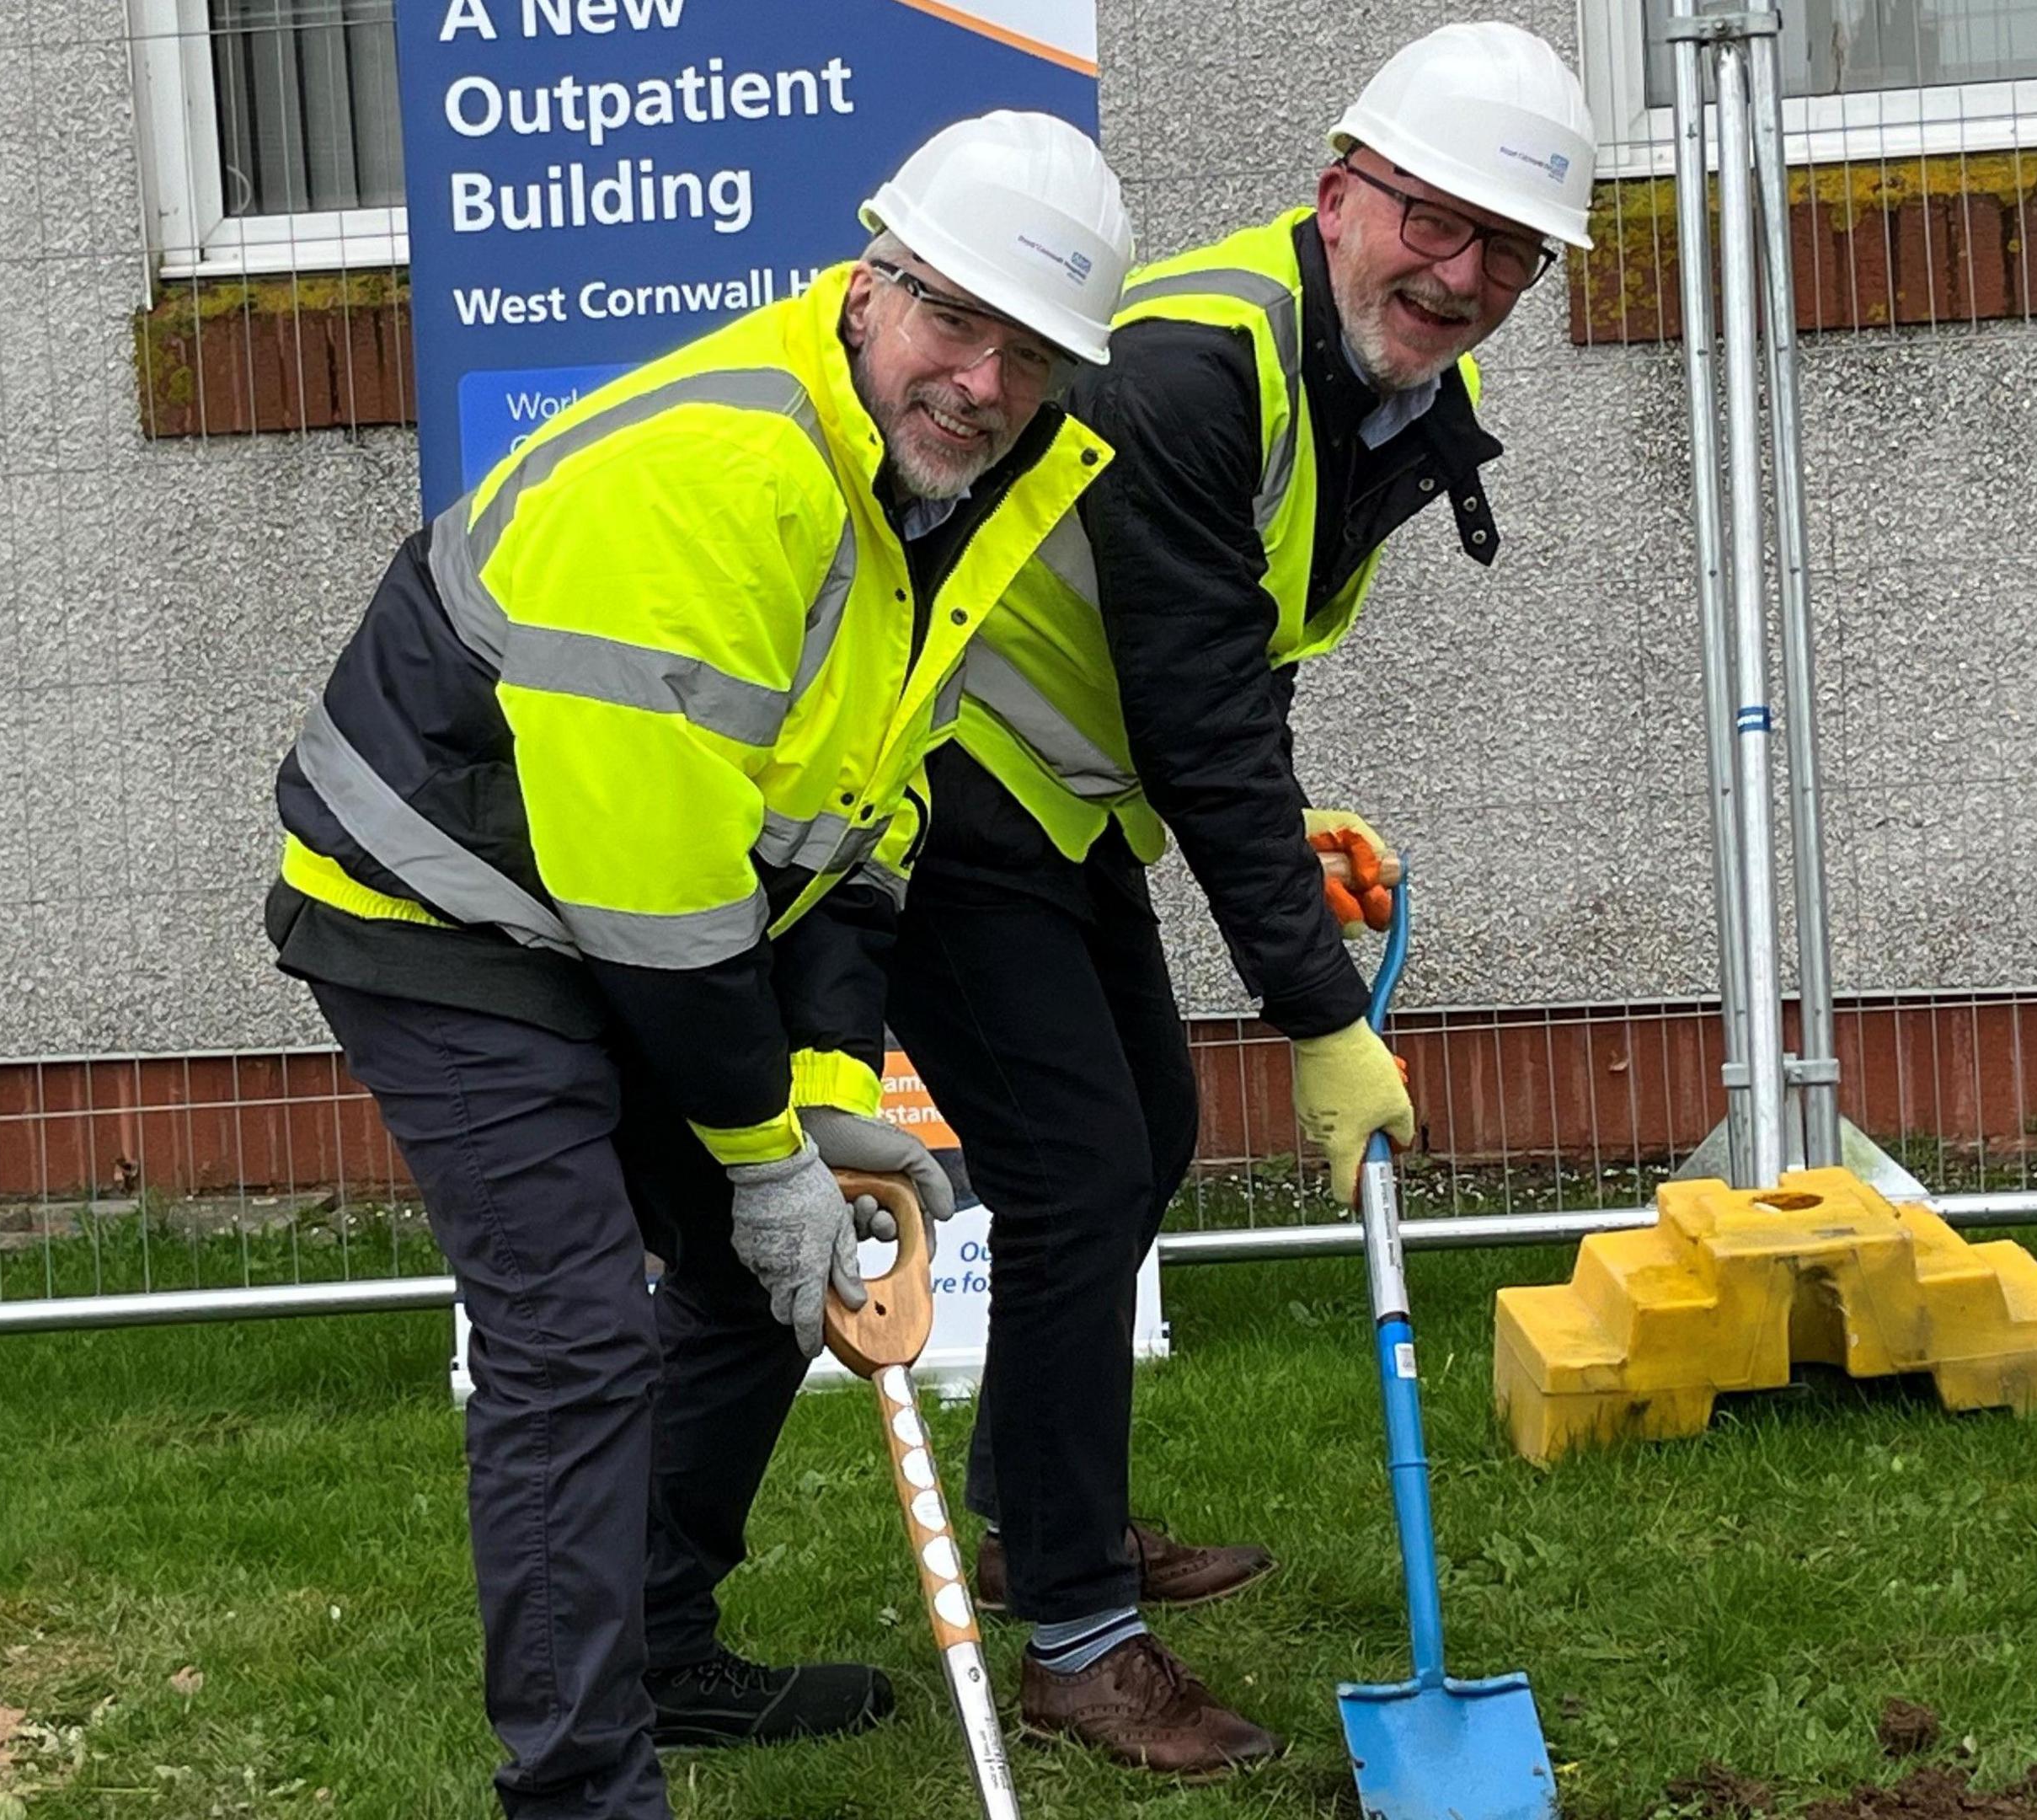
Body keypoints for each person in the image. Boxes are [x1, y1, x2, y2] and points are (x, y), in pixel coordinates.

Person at [264, 112, 1131, 1819]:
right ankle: (585, 1784)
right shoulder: (726, 477)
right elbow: (649, 886)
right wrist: (754, 1153)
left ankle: (658, 1652)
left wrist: (819, 1098)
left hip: (627, 917)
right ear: (872, 281)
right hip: (439, 908)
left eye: (1029, 350)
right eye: (952, 319)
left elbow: (864, 827)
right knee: (576, 1331)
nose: (980, 375)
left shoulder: (966, 492)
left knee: (757, 1274)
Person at [880, 23, 1600, 1774]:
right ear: (1341, 194)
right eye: (1435, 219)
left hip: (1056, 801)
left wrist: (1295, 825)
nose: (1467, 272)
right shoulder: (1197, 367)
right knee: (1076, 1170)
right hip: (939, 778)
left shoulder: (1390, 397)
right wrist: (1323, 1017)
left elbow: (1234, 662)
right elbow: (1202, 718)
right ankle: (1073, 1636)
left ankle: (1048, 1513)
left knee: (1146, 1133)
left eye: (1511, 248)